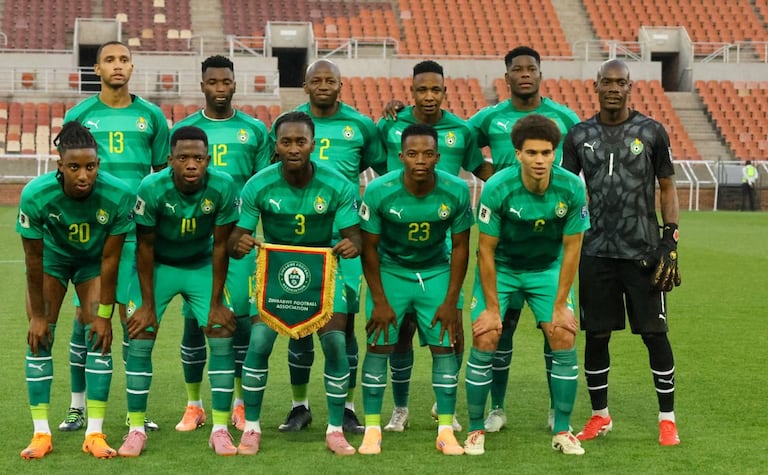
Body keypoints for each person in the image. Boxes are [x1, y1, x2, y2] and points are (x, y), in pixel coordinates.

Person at [561, 59, 682, 446]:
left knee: (654, 334)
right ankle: (600, 415)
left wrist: (670, 239)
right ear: (595, 86)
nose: (614, 88)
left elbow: (667, 186)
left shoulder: (651, 131)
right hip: (595, 251)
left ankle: (667, 420)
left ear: (631, 87)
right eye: (607, 82)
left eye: (621, 82)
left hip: (643, 251)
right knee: (596, 336)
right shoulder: (579, 135)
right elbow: (566, 189)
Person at [229, 111, 362, 456]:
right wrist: (239, 243)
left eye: (300, 141)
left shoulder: (337, 185)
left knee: (335, 343)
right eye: (286, 141)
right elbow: (236, 238)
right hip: (275, 274)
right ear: (276, 145)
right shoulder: (258, 184)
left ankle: (335, 429)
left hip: (323, 275)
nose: (293, 148)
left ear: (312, 144)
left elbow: (355, 237)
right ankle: (252, 428)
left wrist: (352, 245)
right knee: (259, 341)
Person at [467, 46, 581, 433]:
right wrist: (490, 177)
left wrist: (562, 183)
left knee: (559, 331)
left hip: (547, 245)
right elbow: (456, 140)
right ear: (508, 77)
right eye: (518, 69)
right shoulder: (490, 118)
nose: (525, 74)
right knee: (497, 331)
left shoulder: (564, 118)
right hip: (504, 239)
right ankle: (495, 409)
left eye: (532, 68)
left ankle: (558, 415)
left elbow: (585, 151)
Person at [377, 59, 492, 433]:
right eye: (422, 89)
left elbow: (481, 170)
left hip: (443, 251)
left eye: (435, 90)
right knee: (401, 334)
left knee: (452, 332)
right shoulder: (391, 125)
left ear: (445, 91)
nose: (429, 96)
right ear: (411, 91)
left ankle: (445, 406)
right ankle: (400, 408)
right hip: (395, 250)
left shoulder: (461, 130)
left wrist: (515, 186)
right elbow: (376, 168)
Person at [272, 58, 386, 435]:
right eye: (316, 80)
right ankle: (299, 407)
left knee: (345, 328)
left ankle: (347, 408)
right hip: (298, 244)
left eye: (330, 80)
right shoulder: (288, 123)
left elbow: (381, 167)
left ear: (341, 85)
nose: (323, 85)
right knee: (298, 326)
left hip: (346, 241)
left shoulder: (361, 125)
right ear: (305, 86)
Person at [61, 40, 169, 432]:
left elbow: (161, 176)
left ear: (132, 66)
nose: (118, 65)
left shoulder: (152, 116)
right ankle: (77, 407)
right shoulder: (79, 115)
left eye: (124, 59)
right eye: (109, 60)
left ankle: (136, 411)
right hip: (93, 234)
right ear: (97, 69)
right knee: (86, 319)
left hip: (137, 234)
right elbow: (68, 171)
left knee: (134, 320)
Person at [117, 126, 240, 457]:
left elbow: (221, 247)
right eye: (183, 157)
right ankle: (136, 429)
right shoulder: (151, 188)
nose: (191, 164)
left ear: (208, 159)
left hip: (201, 264)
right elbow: (144, 246)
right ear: (170, 160)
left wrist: (216, 302)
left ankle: (220, 429)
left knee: (221, 329)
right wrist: (146, 305)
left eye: (198, 158)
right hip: (159, 265)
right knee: (140, 334)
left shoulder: (223, 186)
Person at [17, 122, 134, 459]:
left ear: (98, 164)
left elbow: (111, 259)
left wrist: (104, 315)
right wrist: (38, 316)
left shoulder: (118, 194)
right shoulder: (35, 195)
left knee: (98, 336)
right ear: (60, 165)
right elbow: (33, 260)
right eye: (74, 167)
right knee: (40, 338)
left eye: (90, 167)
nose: (83, 175)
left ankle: (94, 433)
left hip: (92, 264)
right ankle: (41, 434)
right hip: (51, 262)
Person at [171, 54, 273, 432]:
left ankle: (241, 404)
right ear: (202, 86)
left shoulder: (255, 130)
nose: (219, 88)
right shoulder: (185, 130)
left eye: (225, 82)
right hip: (197, 242)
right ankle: (194, 404)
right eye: (212, 82)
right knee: (194, 323)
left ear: (234, 84)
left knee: (240, 321)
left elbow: (263, 184)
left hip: (239, 239)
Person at [357, 123, 471, 456]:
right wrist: (379, 300)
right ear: (401, 156)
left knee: (445, 345)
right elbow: (368, 248)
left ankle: (445, 429)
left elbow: (461, 247)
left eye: (427, 154)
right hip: (391, 271)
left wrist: (451, 300)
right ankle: (372, 429)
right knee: (378, 345)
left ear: (438, 157)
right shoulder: (379, 190)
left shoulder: (456, 190)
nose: (420, 160)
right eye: (412, 154)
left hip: (435, 270)